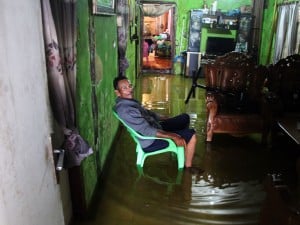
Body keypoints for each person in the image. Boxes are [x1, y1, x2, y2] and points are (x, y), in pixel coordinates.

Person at [113, 76, 202, 172]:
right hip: (151, 140)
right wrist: (173, 136)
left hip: (155, 127)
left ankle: (183, 148)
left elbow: (148, 113)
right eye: (124, 88)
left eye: (129, 86)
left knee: (184, 118)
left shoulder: (128, 102)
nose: (129, 89)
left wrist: (167, 118)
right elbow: (146, 130)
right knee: (192, 135)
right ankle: (188, 167)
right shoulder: (125, 110)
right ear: (117, 92)